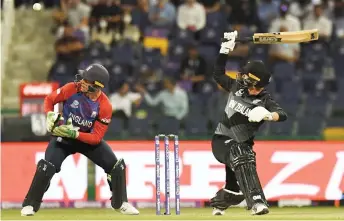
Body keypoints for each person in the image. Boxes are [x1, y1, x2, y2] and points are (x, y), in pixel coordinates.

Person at [20, 64, 139, 216]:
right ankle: (30, 205)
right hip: (63, 137)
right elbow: (49, 99)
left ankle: (121, 203)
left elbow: (96, 138)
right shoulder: (71, 88)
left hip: (86, 139)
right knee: (47, 166)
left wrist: (75, 134)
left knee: (116, 166)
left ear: (97, 86)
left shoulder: (105, 106)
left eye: (86, 80)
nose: (81, 81)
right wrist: (50, 114)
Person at [209, 31, 287, 216]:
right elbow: (218, 74)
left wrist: (268, 115)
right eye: (253, 86)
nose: (255, 90)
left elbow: (282, 115)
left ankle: (220, 202)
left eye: (259, 87)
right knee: (242, 152)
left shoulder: (265, 100)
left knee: (234, 190)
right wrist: (225, 49)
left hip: (242, 145)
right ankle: (257, 202)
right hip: (222, 140)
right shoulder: (236, 86)